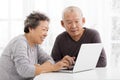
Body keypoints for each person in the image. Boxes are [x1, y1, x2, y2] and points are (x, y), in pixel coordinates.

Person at [0, 12, 70, 80]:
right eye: (43, 29)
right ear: (31, 29)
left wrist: (38, 68)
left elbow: (50, 60)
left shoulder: (35, 45)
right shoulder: (19, 42)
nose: (46, 34)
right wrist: (52, 68)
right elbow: (25, 71)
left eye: (47, 30)